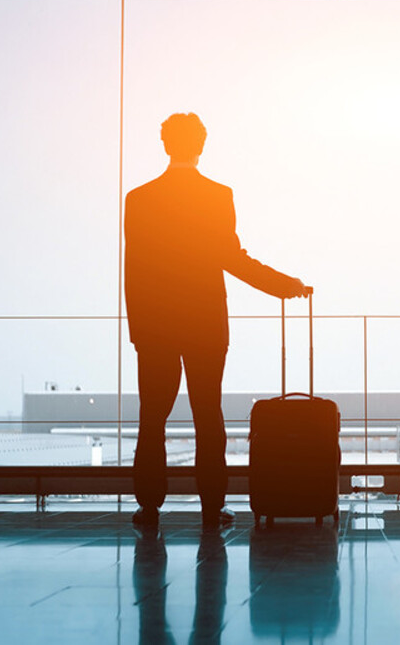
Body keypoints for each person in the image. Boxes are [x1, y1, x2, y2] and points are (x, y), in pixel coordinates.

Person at [125, 112, 309, 529]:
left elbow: (133, 269)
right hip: (205, 322)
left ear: (165, 144)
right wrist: (284, 285)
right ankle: (212, 506)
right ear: (201, 145)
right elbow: (232, 259)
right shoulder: (217, 195)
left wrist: (139, 331)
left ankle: (149, 507)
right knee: (208, 413)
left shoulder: (139, 198)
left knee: (152, 416)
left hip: (155, 327)